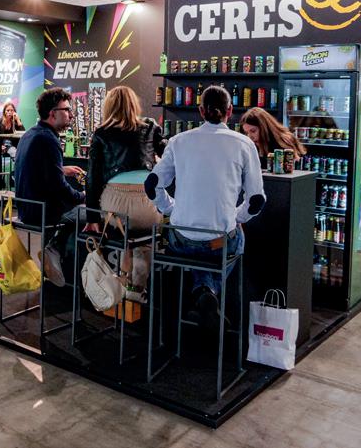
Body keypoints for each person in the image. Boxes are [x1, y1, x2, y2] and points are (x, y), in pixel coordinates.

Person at [144, 85, 265, 327]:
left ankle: (204, 292)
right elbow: (256, 201)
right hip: (220, 241)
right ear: (230, 111)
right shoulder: (244, 144)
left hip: (182, 239)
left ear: (200, 111)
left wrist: (171, 208)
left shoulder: (178, 141)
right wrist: (236, 216)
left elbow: (152, 184)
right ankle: (207, 293)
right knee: (234, 238)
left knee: (195, 248)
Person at [83, 86, 166, 298]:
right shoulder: (151, 127)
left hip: (116, 209)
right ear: (134, 104)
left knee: (120, 235)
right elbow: (169, 158)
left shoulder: (101, 133)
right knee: (145, 240)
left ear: (108, 106)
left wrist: (92, 218)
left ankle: (117, 287)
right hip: (149, 206)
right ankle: (137, 289)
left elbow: (92, 179)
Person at [14, 87, 85, 287]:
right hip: (42, 212)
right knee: (89, 212)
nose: (71, 114)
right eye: (67, 110)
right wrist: (82, 196)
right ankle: (54, 249)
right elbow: (59, 188)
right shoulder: (48, 139)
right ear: (53, 113)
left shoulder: (32, 134)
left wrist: (60, 169)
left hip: (26, 208)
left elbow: (37, 170)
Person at [240, 107, 306, 164]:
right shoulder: (250, 146)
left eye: (253, 131)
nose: (249, 137)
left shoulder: (283, 141)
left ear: (264, 127)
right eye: (246, 132)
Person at [0, 101, 24, 187]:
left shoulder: (16, 122)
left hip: (10, 146)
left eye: (12, 110)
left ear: (14, 112)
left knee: (18, 158)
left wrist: (18, 120)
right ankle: (0, 179)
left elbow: (22, 134)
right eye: (8, 110)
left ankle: (14, 177)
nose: (9, 112)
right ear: (4, 111)